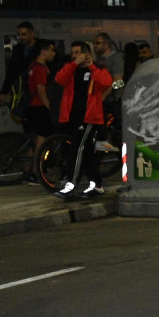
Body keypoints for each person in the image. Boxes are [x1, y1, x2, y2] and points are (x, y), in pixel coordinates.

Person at [52, 41, 113, 199]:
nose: (74, 56)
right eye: (72, 52)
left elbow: (106, 82)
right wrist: (74, 64)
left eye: (77, 52)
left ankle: (71, 185)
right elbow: (59, 79)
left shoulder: (96, 69)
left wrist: (91, 67)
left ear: (86, 54)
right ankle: (97, 185)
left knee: (77, 149)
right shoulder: (71, 70)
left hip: (88, 117)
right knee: (86, 152)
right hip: (73, 117)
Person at [0, 21, 38, 118]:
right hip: (23, 91)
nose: (21, 37)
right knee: (26, 118)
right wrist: (4, 92)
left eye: (24, 34)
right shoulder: (18, 49)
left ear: (32, 34)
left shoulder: (41, 48)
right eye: (19, 35)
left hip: (37, 89)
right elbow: (12, 71)